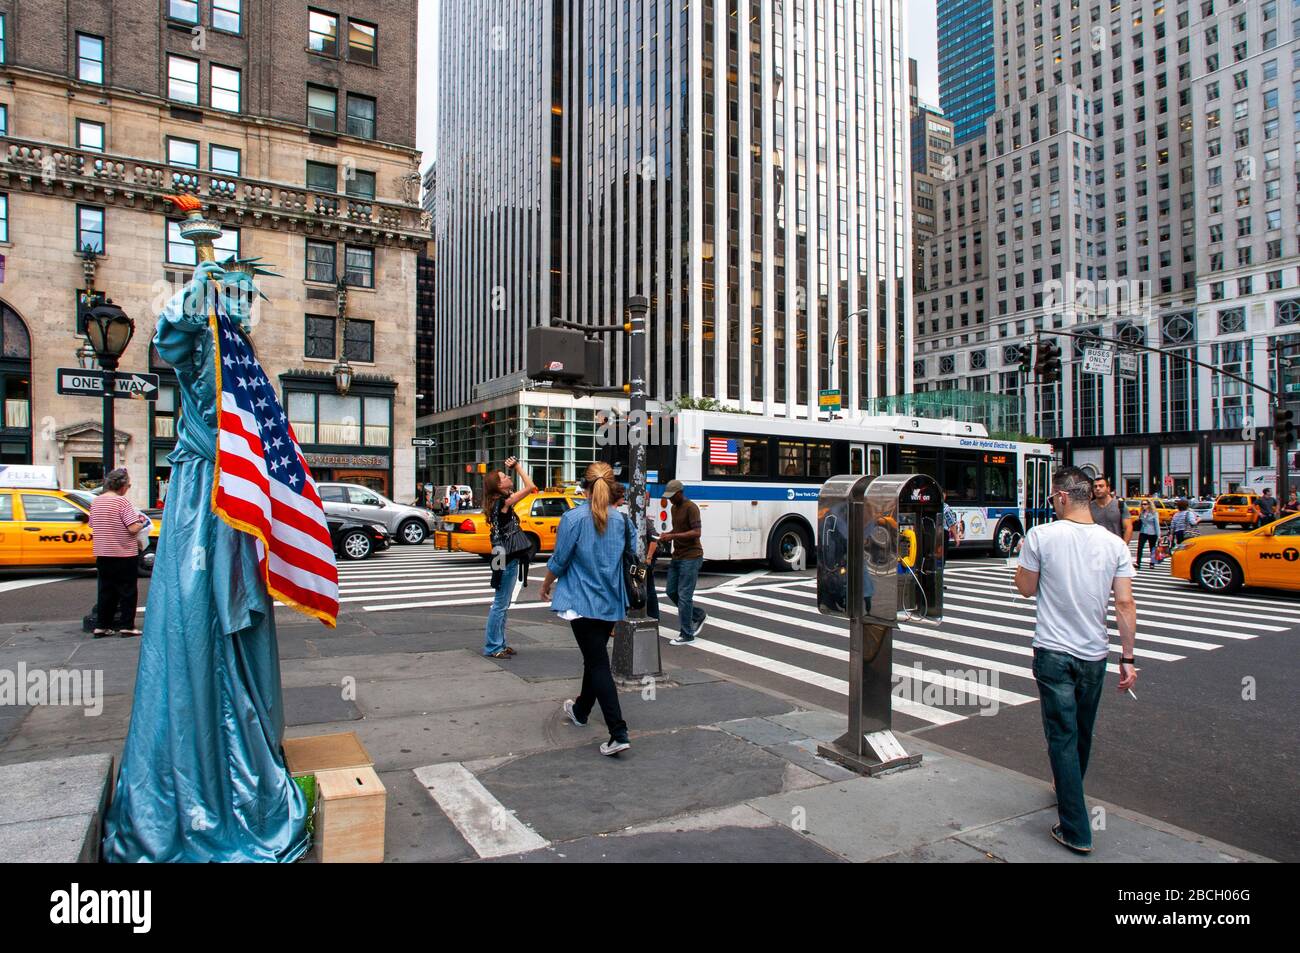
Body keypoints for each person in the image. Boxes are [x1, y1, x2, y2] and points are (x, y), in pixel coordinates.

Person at [1015, 466, 1138, 855]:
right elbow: (1124, 603)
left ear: (1063, 497)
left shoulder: (1041, 536)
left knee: (1061, 737)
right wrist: (1128, 658)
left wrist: (1021, 566)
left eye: (1052, 498)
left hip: (1053, 651)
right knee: (1081, 731)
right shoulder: (1114, 544)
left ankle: (1076, 828)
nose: (1052, 503)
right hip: (1094, 655)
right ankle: (1068, 789)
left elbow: (1025, 589)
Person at [540, 462, 635, 757]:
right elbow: (631, 556)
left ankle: (618, 731)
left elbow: (559, 560)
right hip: (611, 601)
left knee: (597, 663)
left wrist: (545, 585)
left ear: (584, 487)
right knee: (594, 657)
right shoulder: (621, 520)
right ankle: (581, 711)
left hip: (580, 601)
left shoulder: (573, 518)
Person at [480, 456, 537, 659]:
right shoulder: (503, 501)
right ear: (498, 485)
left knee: (502, 602)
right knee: (500, 603)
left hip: (502, 555)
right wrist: (519, 466)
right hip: (506, 555)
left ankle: (499, 643)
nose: (508, 476)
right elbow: (531, 486)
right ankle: (493, 646)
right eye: (504, 476)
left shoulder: (499, 501)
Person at [89, 468, 148, 639]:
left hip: (102, 552)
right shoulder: (122, 503)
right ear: (122, 486)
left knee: (105, 590)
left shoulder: (96, 502)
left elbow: (93, 525)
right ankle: (127, 626)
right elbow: (132, 528)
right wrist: (141, 522)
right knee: (127, 591)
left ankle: (101, 626)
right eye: (128, 485)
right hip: (123, 553)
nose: (128, 488)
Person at [660, 479, 706, 644]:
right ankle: (697, 614)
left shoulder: (691, 507)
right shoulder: (674, 508)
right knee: (671, 591)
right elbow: (679, 530)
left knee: (685, 596)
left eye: (672, 496)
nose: (670, 499)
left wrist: (672, 536)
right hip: (678, 555)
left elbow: (696, 532)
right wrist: (666, 536)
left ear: (680, 493)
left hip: (691, 556)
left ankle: (687, 634)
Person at [613, 483, 659, 621]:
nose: (624, 499)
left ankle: (652, 615)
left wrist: (649, 559)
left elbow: (655, 539)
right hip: (635, 561)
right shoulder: (628, 517)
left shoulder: (641, 519)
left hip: (641, 562)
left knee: (645, 587)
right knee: (638, 585)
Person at [1090, 476, 1133, 545]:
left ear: (1108, 489)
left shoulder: (1120, 504)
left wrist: (1123, 547)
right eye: (1095, 486)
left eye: (1101, 486)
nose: (1097, 488)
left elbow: (1128, 527)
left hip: (1115, 549)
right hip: (1096, 550)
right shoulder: (1089, 507)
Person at [1133, 499, 1160, 570]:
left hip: (1152, 533)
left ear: (1149, 505)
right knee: (1140, 547)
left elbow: (1157, 525)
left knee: (1152, 548)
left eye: (1145, 504)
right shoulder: (1142, 513)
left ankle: (1152, 563)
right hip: (1143, 532)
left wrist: (1159, 535)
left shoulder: (1154, 513)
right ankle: (1138, 562)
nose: (1143, 506)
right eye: (1142, 504)